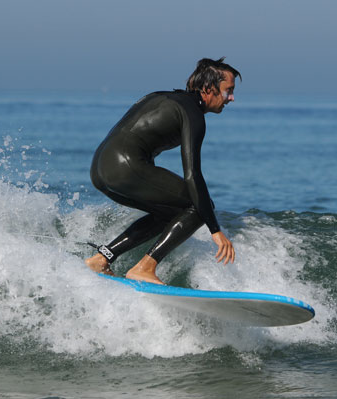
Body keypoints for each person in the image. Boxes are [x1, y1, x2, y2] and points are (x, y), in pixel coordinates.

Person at [85, 57, 240, 284]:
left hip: (99, 170)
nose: (232, 98)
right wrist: (214, 229)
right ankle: (145, 268)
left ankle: (102, 258)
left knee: (168, 212)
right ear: (209, 88)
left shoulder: (162, 97)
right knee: (197, 206)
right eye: (229, 91)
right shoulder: (192, 113)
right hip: (125, 165)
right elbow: (192, 174)